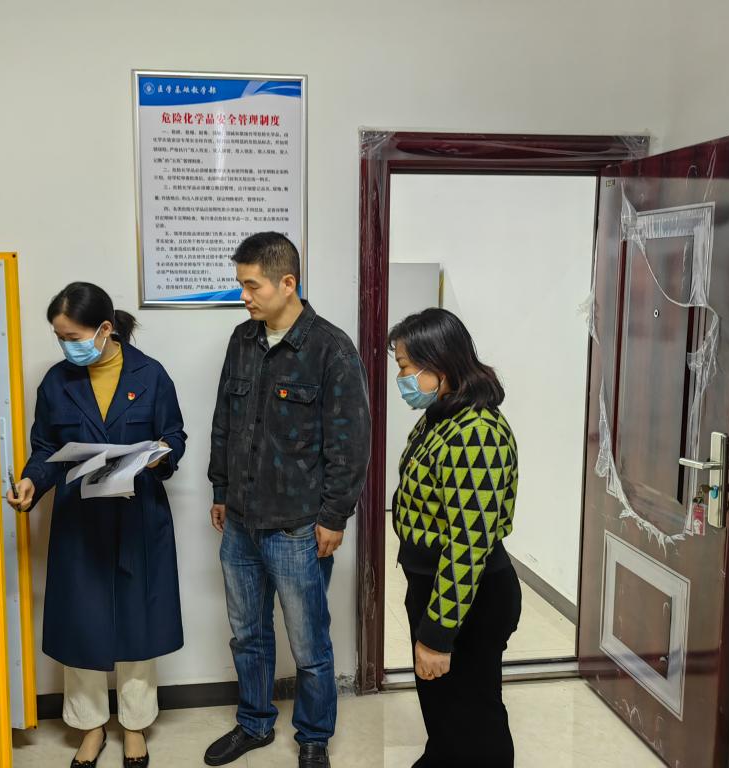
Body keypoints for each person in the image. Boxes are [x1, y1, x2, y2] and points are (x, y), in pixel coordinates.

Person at [204, 232, 371, 768]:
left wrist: (334, 516)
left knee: (309, 645)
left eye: (251, 285)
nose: (243, 296)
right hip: (240, 522)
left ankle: (314, 737)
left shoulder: (330, 349)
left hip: (298, 527)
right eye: (241, 285)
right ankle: (254, 723)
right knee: (247, 635)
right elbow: (225, 422)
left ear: (287, 283)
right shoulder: (242, 340)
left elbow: (351, 442)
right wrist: (220, 489)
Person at [7, 282, 187, 768]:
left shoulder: (150, 375)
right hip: (80, 520)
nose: (67, 345)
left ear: (105, 329)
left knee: (138, 624)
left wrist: (160, 455)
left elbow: (174, 435)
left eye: (73, 336)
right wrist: (31, 481)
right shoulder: (56, 382)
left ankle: (135, 726)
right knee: (81, 625)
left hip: (137, 516)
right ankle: (89, 727)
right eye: (60, 337)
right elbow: (45, 448)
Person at [388, 308, 522, 768]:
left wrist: (439, 635)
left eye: (406, 366)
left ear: (438, 365)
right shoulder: (443, 416)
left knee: (475, 716)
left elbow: (468, 547)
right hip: (435, 587)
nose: (401, 378)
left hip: (469, 596)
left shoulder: (477, 433)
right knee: (444, 707)